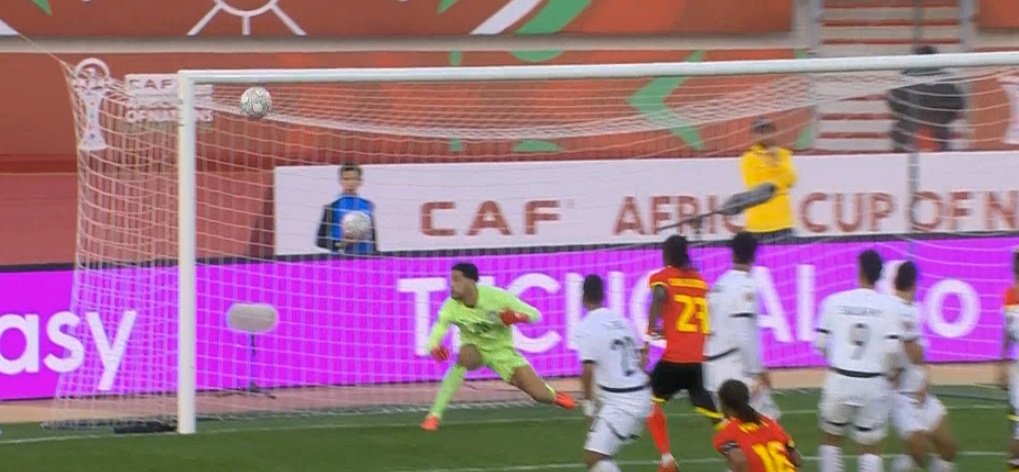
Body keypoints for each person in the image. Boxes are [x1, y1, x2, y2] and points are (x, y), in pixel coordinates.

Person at [420, 262, 575, 431]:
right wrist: (434, 348)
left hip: (503, 353)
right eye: (451, 280)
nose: (452, 285)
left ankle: (553, 395)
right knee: (464, 356)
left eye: (456, 279)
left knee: (539, 395)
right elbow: (438, 329)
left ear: (471, 281)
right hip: (476, 351)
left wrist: (515, 317)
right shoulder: (450, 306)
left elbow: (535, 315)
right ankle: (434, 415)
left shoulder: (497, 297)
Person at [813, 250, 904, 472]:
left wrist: (838, 359)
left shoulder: (834, 301)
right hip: (873, 382)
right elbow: (893, 349)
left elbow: (820, 343)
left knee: (831, 440)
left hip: (840, 379)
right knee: (870, 448)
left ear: (859, 270)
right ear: (880, 275)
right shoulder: (891, 306)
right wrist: (891, 372)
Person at [645, 235, 722, 472]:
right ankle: (738, 442)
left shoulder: (663, 277)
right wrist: (669, 329)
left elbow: (660, 296)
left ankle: (667, 459)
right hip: (696, 360)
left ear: (667, 254)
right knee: (712, 413)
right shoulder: (700, 281)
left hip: (674, 360)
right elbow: (690, 317)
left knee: (646, 400)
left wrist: (648, 338)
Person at [574, 275, 652, 472]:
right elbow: (639, 361)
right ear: (604, 295)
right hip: (640, 393)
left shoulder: (586, 327)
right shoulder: (622, 321)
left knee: (593, 457)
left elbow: (587, 370)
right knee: (601, 455)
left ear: (583, 297)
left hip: (623, 402)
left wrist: (588, 407)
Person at [888, 261, 957, 472]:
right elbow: (914, 353)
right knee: (920, 454)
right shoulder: (892, 309)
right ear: (914, 284)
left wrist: (925, 378)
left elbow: (918, 356)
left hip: (921, 394)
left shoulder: (915, 310)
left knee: (948, 449)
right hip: (900, 397)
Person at [704, 232, 781, 420]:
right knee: (768, 422)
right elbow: (743, 334)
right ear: (754, 255)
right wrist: (757, 371)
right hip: (735, 370)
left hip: (713, 369)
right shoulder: (746, 286)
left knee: (734, 429)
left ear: (733, 254)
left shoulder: (719, 284)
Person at [887, 45, 964, 153]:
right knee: (939, 160)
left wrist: (912, 115)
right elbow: (957, 103)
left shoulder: (904, 78)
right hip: (937, 130)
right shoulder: (945, 78)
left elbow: (894, 103)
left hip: (907, 131)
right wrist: (939, 117)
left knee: (902, 159)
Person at [713, 379, 803, 472]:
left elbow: (739, 460)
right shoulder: (771, 424)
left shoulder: (727, 432)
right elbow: (797, 460)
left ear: (723, 403)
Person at [740, 117, 797, 243]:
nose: (764, 135)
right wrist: (776, 182)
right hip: (757, 223)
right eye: (760, 132)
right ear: (753, 135)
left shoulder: (783, 154)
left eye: (767, 131)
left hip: (782, 222)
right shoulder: (748, 158)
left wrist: (776, 162)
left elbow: (790, 180)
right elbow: (754, 185)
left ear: (774, 133)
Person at [315, 162, 377, 255]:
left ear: (360, 181)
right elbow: (320, 240)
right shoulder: (332, 207)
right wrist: (341, 244)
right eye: (346, 179)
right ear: (340, 181)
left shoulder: (367, 206)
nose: (350, 183)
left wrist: (375, 256)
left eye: (354, 179)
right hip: (341, 258)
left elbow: (373, 239)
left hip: (365, 257)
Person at [996, 246, 1019, 471]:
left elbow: (1007, 332)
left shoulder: (1009, 296)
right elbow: (1008, 331)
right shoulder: (1010, 296)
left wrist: (1002, 364)